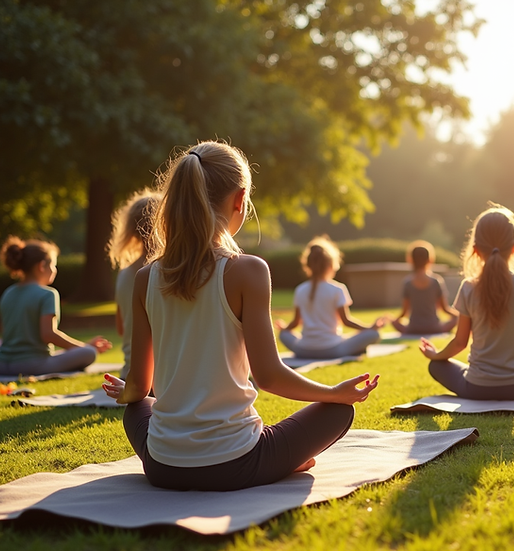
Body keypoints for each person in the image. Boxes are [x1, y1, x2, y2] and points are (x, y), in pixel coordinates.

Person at [101, 141, 379, 492]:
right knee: (339, 411)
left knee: (138, 408)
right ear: (240, 198)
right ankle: (282, 462)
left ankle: (274, 459)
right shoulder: (248, 271)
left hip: (162, 467)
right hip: (236, 464)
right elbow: (270, 376)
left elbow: (140, 387)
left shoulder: (145, 278)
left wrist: (127, 394)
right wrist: (333, 392)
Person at [419, 204, 514, 400]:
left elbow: (460, 342)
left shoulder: (468, 287)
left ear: (475, 250)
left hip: (476, 388)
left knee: (436, 366)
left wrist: (435, 355)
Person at [0, 237, 112, 376]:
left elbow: (5, 330)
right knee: (89, 352)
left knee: (79, 351)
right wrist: (84, 347)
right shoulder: (48, 294)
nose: (55, 270)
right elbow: (48, 334)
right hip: (31, 366)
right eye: (53, 265)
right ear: (42, 266)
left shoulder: (8, 293)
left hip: (1, 364)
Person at [277, 235, 385, 359]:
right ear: (331, 265)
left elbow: (295, 323)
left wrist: (284, 328)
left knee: (283, 334)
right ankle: (356, 348)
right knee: (374, 334)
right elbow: (346, 321)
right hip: (332, 350)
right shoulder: (337, 289)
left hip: (303, 350)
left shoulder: (300, 289)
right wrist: (370, 327)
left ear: (308, 265)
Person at [107, 189, 162, 380]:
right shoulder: (168, 271)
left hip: (129, 374)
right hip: (162, 378)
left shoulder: (124, 274)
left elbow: (122, 328)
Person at [390, 240, 458, 335]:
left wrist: (393, 320)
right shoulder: (436, 281)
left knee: (392, 321)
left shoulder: (408, 283)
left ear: (411, 260)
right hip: (435, 328)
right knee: (457, 319)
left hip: (413, 329)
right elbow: (445, 309)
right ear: (430, 260)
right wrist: (459, 316)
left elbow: (404, 313)